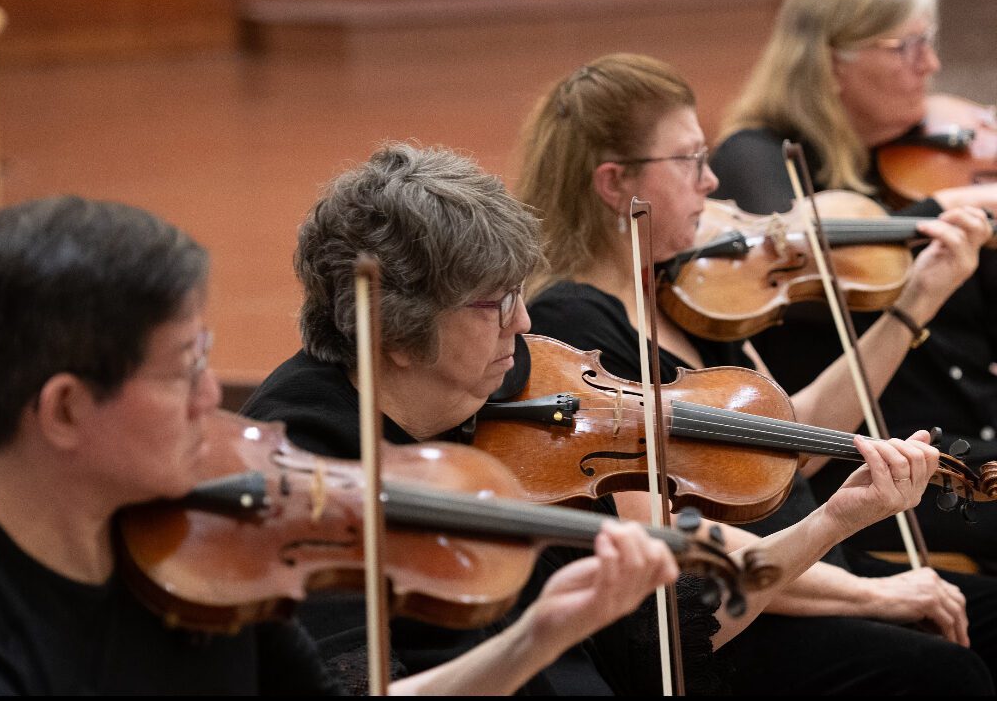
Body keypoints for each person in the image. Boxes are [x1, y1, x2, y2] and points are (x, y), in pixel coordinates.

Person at [243, 141, 963, 695]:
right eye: (493, 304)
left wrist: (831, 522)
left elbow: (663, 633)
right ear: (394, 333)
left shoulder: (514, 401)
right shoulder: (307, 468)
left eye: (518, 293)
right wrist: (542, 633)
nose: (524, 323)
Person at [0, 195, 687, 695]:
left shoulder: (203, 542)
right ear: (65, 409)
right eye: (182, 369)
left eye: (205, 357)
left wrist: (536, 636)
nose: (209, 395)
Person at [517, 52, 997, 694]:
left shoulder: (678, 296)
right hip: (745, 620)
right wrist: (868, 593)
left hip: (812, 571)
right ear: (614, 183)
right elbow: (667, 538)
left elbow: (794, 442)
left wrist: (914, 305)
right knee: (945, 671)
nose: (712, 181)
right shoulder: (574, 328)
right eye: (690, 160)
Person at [711, 0, 997, 566]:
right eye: (908, 46)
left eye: (930, 42)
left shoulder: (923, 156)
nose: (932, 65)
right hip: (900, 472)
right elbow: (804, 255)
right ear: (829, 60)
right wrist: (943, 206)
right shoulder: (755, 158)